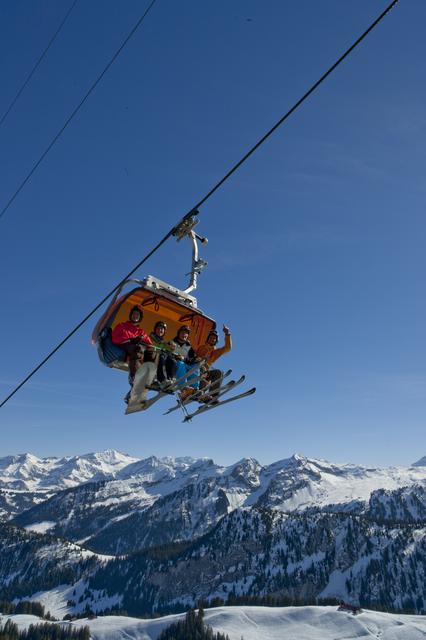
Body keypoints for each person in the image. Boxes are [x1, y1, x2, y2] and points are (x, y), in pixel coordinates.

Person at [111, 306, 156, 405]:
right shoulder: (122, 326)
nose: (135, 316)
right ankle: (134, 377)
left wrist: (144, 342)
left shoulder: (141, 331)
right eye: (134, 314)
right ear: (131, 315)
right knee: (137, 349)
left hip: (137, 352)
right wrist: (130, 340)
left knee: (151, 352)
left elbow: (150, 344)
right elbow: (115, 338)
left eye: (138, 315)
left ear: (140, 317)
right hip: (124, 346)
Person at [196, 325, 232, 401]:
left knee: (218, 372)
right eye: (211, 338)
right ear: (207, 339)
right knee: (203, 369)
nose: (212, 339)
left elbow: (227, 348)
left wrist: (227, 334)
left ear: (216, 341)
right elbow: (195, 358)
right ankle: (200, 392)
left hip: (206, 374)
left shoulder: (215, 352)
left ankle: (213, 396)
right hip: (197, 372)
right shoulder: (201, 348)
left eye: (214, 339)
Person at [171, 325, 200, 400]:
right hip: (175, 364)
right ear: (179, 333)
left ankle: (194, 388)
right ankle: (184, 388)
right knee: (181, 363)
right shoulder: (172, 343)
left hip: (185, 364)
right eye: (182, 333)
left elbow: (193, 358)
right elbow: (168, 353)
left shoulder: (188, 346)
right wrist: (177, 357)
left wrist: (197, 359)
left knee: (196, 367)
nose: (184, 335)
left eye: (186, 333)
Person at [150, 320, 177, 386]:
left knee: (172, 360)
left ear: (164, 331)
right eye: (158, 328)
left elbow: (170, 351)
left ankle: (170, 379)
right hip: (151, 356)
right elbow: (148, 346)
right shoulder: (150, 338)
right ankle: (161, 379)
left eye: (162, 329)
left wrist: (172, 347)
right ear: (155, 329)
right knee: (161, 357)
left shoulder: (164, 343)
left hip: (161, 358)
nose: (160, 330)